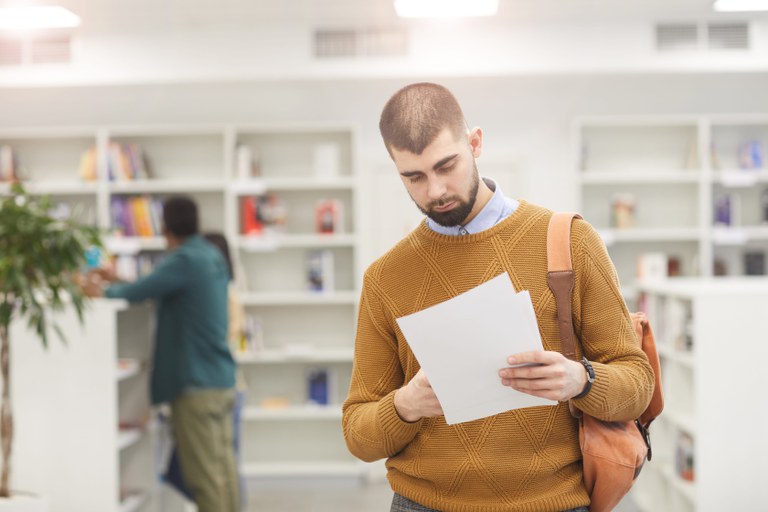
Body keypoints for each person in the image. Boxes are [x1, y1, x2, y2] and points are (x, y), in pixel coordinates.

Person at [341, 82, 654, 512]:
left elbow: (638, 385)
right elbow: (358, 433)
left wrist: (581, 380)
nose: (434, 191)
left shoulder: (570, 241)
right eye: (413, 177)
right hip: (424, 503)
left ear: (475, 143)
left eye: (445, 165)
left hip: (551, 503)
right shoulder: (385, 278)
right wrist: (405, 405)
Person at [82, 196, 239, 512]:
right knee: (224, 474)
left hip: (195, 386)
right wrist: (119, 279)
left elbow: (138, 292)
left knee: (204, 480)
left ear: (164, 226)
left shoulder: (185, 260)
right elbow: (157, 286)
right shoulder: (209, 256)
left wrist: (98, 290)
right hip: (219, 380)